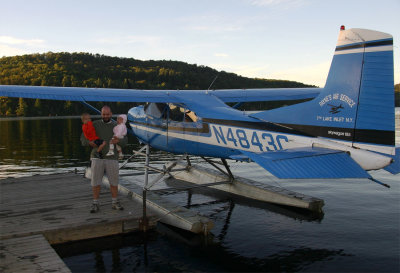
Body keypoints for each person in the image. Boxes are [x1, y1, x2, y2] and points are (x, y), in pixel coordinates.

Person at [80, 106, 128, 213]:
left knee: (114, 182)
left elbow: (125, 142)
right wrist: (89, 143)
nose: (105, 116)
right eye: (103, 114)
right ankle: (95, 203)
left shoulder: (118, 125)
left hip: (112, 158)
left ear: (111, 114)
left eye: (107, 114)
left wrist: (118, 142)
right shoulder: (94, 124)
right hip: (97, 157)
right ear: (101, 114)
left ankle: (115, 202)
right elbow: (83, 138)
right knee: (95, 182)